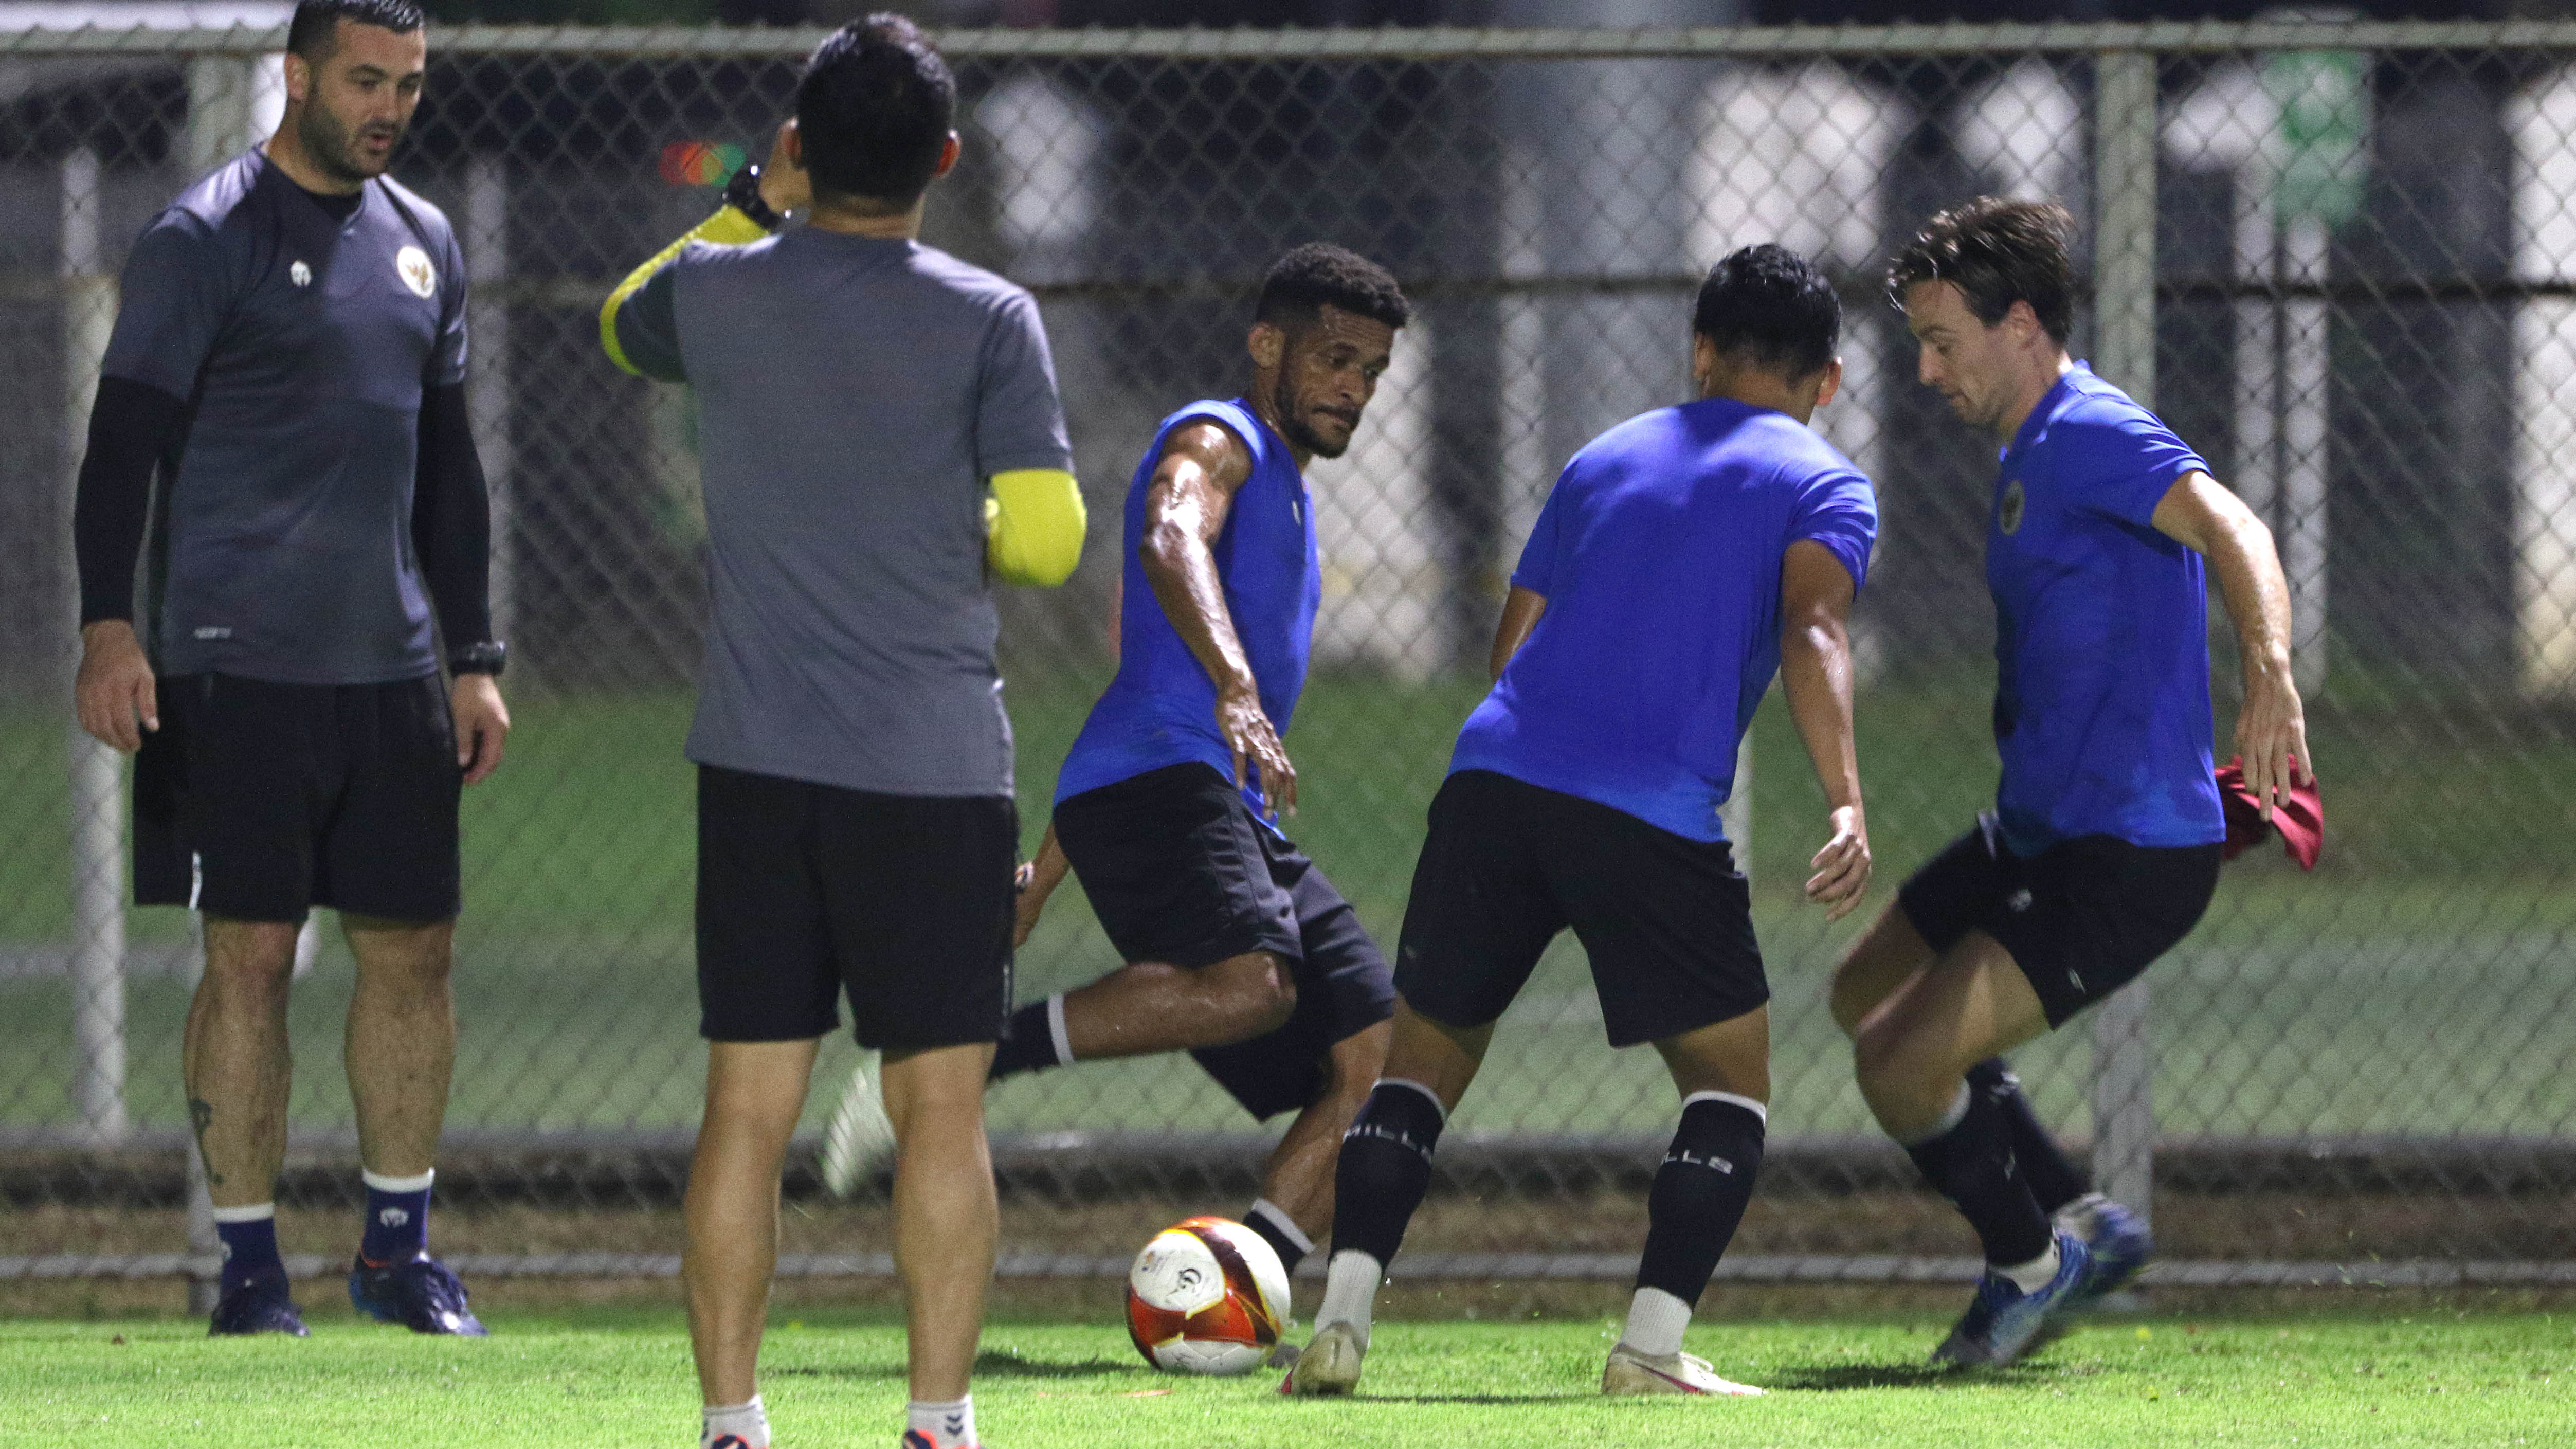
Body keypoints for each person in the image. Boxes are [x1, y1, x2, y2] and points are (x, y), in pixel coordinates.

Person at [598, 15, 1085, 1449]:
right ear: (946, 156)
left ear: (801, 148)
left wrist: (753, 197)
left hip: (758, 760)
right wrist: (963, 525)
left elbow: (623, 314)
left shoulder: (720, 292)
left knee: (747, 1106)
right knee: (942, 1108)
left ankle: (734, 1422)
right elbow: (1051, 545)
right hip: (931, 771)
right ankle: (936, 1418)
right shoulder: (991, 316)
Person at [1286, 244, 1878, 1399]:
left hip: (1495, 780)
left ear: (1701, 351)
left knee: (1417, 1070)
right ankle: (1648, 1350)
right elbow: (1816, 628)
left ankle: (1342, 1322)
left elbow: (1516, 642)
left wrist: (1511, 782)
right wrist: (1847, 795)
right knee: (1728, 1087)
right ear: (1830, 380)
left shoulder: (1604, 456)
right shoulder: (1823, 479)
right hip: (1648, 813)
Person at [71, 0, 507, 1339]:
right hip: (231, 666)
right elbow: (121, 446)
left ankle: (396, 1250)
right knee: (252, 954)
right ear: (299, 74)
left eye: (411, 85)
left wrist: (473, 655)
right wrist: (108, 626)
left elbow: (450, 472)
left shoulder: (425, 240)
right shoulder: (206, 238)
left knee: (413, 953)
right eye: (367, 80)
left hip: (391, 672)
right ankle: (249, 1267)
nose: (389, 106)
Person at [1834, 197, 2310, 1367]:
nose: (1929, 371)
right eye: (1921, 345)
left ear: (2025, 326)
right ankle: (2069, 1212)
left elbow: (2234, 524)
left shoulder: (2092, 428)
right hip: (2038, 830)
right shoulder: (2030, 449)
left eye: (1945, 343)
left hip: (2125, 854)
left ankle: (2030, 1260)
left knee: (1899, 1065)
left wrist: (2271, 670)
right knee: (1864, 993)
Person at [996, 244, 1408, 1325]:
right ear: (1265, 344)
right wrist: (1238, 688)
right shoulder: (1218, 441)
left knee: (1380, 1056)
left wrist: (1041, 873)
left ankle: (1240, 1284)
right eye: (1332, 358)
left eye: (1369, 370)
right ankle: (989, 1046)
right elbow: (1170, 532)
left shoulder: (1294, 492)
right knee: (1251, 982)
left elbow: (1137, 698)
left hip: (1190, 788)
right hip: (1172, 778)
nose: (1352, 387)